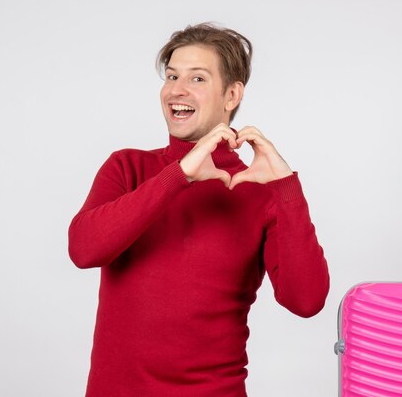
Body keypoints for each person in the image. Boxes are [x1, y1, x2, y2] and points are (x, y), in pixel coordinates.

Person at [68, 23, 330, 397]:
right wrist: (179, 175)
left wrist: (287, 188)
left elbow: (306, 300)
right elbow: (83, 249)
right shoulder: (127, 167)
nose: (177, 89)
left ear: (232, 95)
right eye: (172, 76)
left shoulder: (259, 190)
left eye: (198, 78)